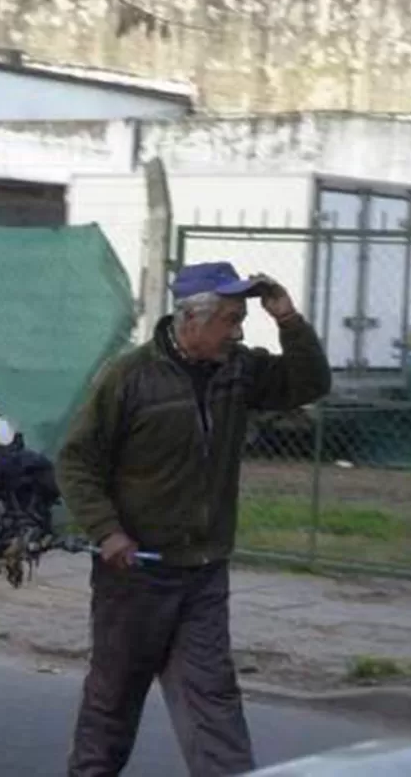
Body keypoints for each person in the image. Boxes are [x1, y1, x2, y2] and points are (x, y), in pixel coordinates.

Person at [58, 262, 331, 777]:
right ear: (191, 320)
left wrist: (288, 318)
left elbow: (310, 382)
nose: (239, 331)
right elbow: (76, 460)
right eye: (230, 319)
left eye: (240, 318)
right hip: (135, 572)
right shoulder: (131, 376)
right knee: (113, 703)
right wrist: (107, 531)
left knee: (214, 703)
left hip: (203, 571)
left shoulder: (238, 370)